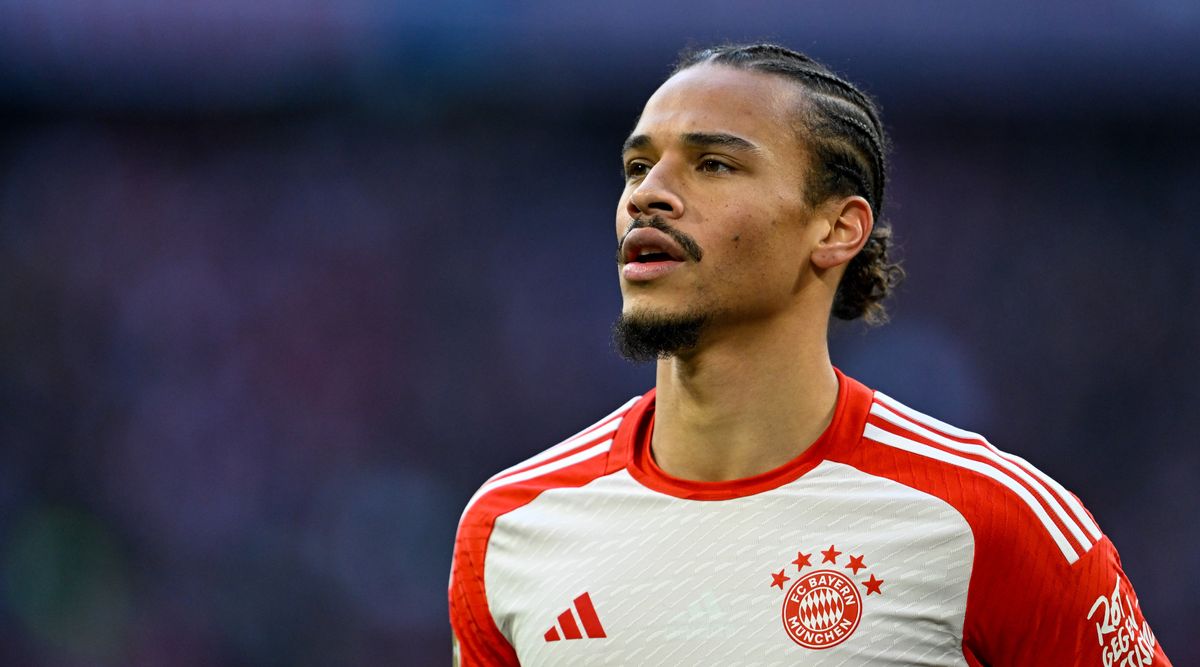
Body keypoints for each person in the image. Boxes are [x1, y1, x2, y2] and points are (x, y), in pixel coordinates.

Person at [448, 43, 1171, 666]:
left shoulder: (992, 518)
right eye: (638, 167)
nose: (650, 195)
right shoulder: (511, 527)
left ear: (835, 228)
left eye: (713, 165)